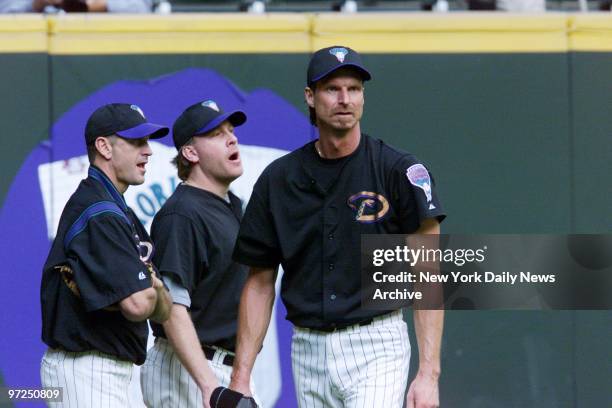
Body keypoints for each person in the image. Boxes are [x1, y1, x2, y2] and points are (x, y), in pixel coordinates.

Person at [229, 46, 446, 408]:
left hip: (377, 342)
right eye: (332, 89)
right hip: (308, 346)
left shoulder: (398, 171)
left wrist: (428, 374)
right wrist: (240, 378)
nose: (345, 99)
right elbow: (260, 281)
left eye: (354, 88)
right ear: (310, 97)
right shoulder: (278, 179)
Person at [40, 102, 172, 406]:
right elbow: (139, 305)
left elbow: (164, 311)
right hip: (86, 370)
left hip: (111, 371)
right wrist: (153, 286)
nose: (149, 150)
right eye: (137, 141)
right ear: (104, 147)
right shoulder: (98, 212)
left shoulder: (118, 212)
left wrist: (153, 287)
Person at [141, 100, 258, 408]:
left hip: (227, 369)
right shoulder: (182, 214)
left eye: (231, 131)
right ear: (190, 153)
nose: (232, 139)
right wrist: (209, 386)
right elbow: (171, 310)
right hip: (191, 370)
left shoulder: (232, 205)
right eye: (217, 134)